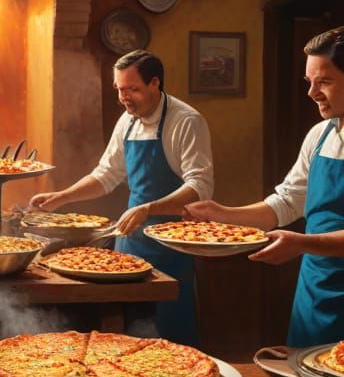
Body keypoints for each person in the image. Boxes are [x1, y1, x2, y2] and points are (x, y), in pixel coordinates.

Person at [30, 49, 214, 345]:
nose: (124, 97)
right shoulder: (127, 121)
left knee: (169, 336)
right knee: (126, 335)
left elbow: (201, 186)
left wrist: (150, 208)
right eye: (119, 89)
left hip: (171, 246)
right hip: (129, 241)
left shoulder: (186, 121)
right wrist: (62, 197)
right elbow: (106, 175)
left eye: (133, 89)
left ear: (155, 83)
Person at [185, 26, 344, 348]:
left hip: (318, 260)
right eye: (309, 82)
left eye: (323, 82)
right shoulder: (320, 135)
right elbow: (286, 203)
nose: (312, 93)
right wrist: (223, 214)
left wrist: (303, 243)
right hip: (315, 284)